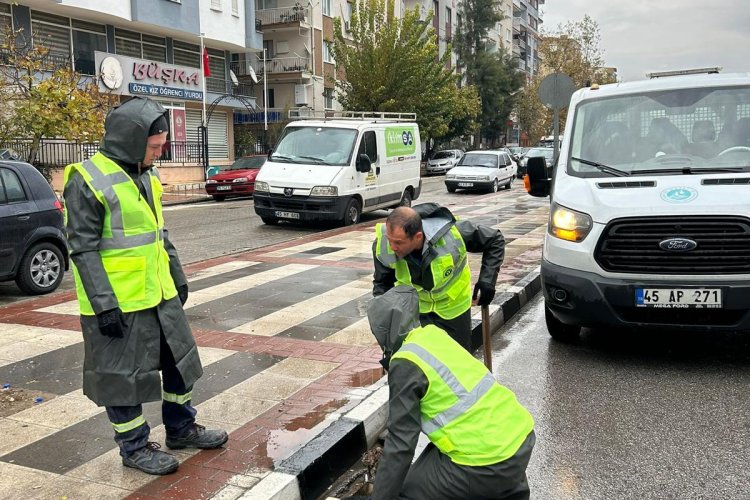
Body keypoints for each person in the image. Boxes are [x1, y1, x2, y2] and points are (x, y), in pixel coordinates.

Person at [63, 97, 227, 476]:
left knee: (179, 364)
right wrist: (104, 305)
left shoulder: (147, 176)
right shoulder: (86, 179)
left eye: (161, 146)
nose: (160, 152)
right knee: (122, 380)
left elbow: (158, 234)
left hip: (159, 293)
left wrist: (178, 275)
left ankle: (181, 428)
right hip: (118, 303)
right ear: (130, 142)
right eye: (154, 147)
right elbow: (82, 249)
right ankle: (134, 447)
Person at [367, 286, 535, 500]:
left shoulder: (405, 362)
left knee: (407, 490)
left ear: (384, 332)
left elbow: (400, 445)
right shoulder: (433, 335)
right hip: (519, 439)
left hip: (488, 461)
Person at [372, 203, 504, 351]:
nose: (392, 247)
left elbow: (495, 240)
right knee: (420, 365)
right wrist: (385, 320)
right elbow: (382, 284)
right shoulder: (384, 244)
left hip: (453, 308)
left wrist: (487, 280)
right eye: (389, 239)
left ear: (418, 237)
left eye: (398, 242)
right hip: (416, 310)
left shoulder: (452, 234)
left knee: (456, 363)